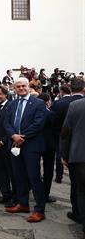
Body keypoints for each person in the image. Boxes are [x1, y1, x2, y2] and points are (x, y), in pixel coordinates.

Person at [4, 77, 47, 223]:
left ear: (28, 87)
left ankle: (39, 210)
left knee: (34, 177)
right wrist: (13, 135)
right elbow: (7, 122)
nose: (21, 88)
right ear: (14, 88)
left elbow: (39, 123)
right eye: (18, 86)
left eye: (23, 86)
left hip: (31, 146)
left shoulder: (38, 103)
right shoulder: (12, 104)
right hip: (15, 145)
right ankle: (23, 204)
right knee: (18, 176)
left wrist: (23, 137)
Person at [57, 78, 85, 226]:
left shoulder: (75, 105)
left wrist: (64, 154)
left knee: (81, 190)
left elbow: (65, 132)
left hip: (79, 156)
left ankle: (80, 216)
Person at [51, 78, 84, 184]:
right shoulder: (78, 104)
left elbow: (56, 123)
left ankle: (58, 176)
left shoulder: (60, 103)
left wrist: (63, 154)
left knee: (77, 187)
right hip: (78, 145)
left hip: (66, 141)